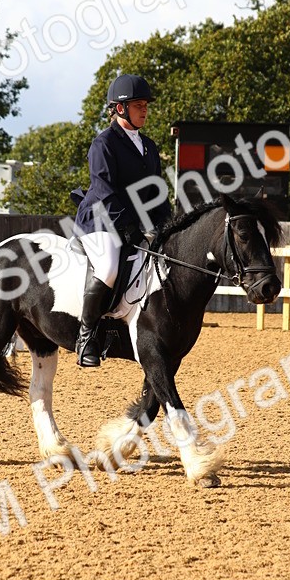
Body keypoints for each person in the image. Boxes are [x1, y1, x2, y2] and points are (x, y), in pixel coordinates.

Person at [72, 74, 171, 367]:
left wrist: (168, 226)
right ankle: (86, 336)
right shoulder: (103, 143)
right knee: (109, 268)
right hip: (100, 220)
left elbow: (155, 191)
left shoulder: (148, 146)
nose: (144, 110)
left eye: (146, 105)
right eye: (138, 105)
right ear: (119, 109)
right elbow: (104, 191)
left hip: (134, 224)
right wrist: (129, 227)